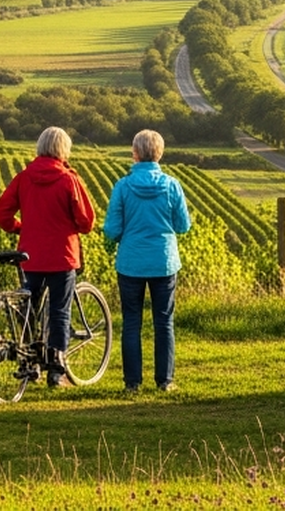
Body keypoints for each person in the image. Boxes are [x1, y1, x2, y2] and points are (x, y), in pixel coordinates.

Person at [0, 126, 96, 388]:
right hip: (62, 256)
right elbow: (86, 221)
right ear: (64, 150)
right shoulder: (68, 179)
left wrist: (20, 227)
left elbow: (2, 214)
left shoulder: (24, 178)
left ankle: (29, 359)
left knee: (29, 306)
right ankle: (56, 369)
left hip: (30, 256)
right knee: (59, 310)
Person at [103, 129, 193, 394]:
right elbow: (183, 225)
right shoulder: (172, 185)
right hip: (163, 262)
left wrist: (124, 235)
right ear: (160, 154)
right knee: (163, 321)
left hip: (130, 262)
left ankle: (132, 383)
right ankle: (165, 381)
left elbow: (111, 229)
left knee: (132, 322)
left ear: (135, 154)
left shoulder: (122, 186)